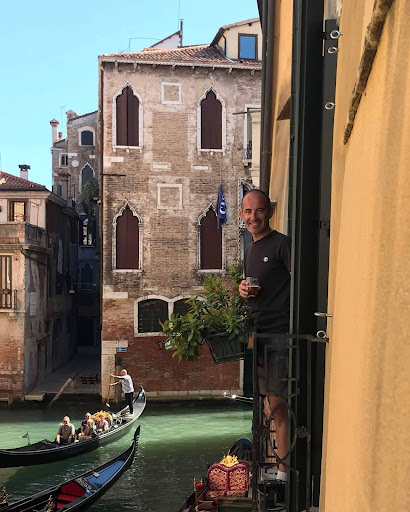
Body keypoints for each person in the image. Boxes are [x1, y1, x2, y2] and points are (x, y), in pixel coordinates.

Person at [239, 188, 291, 483]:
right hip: (259, 336)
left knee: (279, 405)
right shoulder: (250, 249)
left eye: (259, 210)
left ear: (269, 212)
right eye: (248, 211)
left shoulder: (283, 244)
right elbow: (253, 286)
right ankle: (276, 465)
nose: (253, 217)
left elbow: (302, 281)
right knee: (269, 406)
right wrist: (243, 289)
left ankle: (283, 473)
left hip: (280, 335)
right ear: (241, 215)